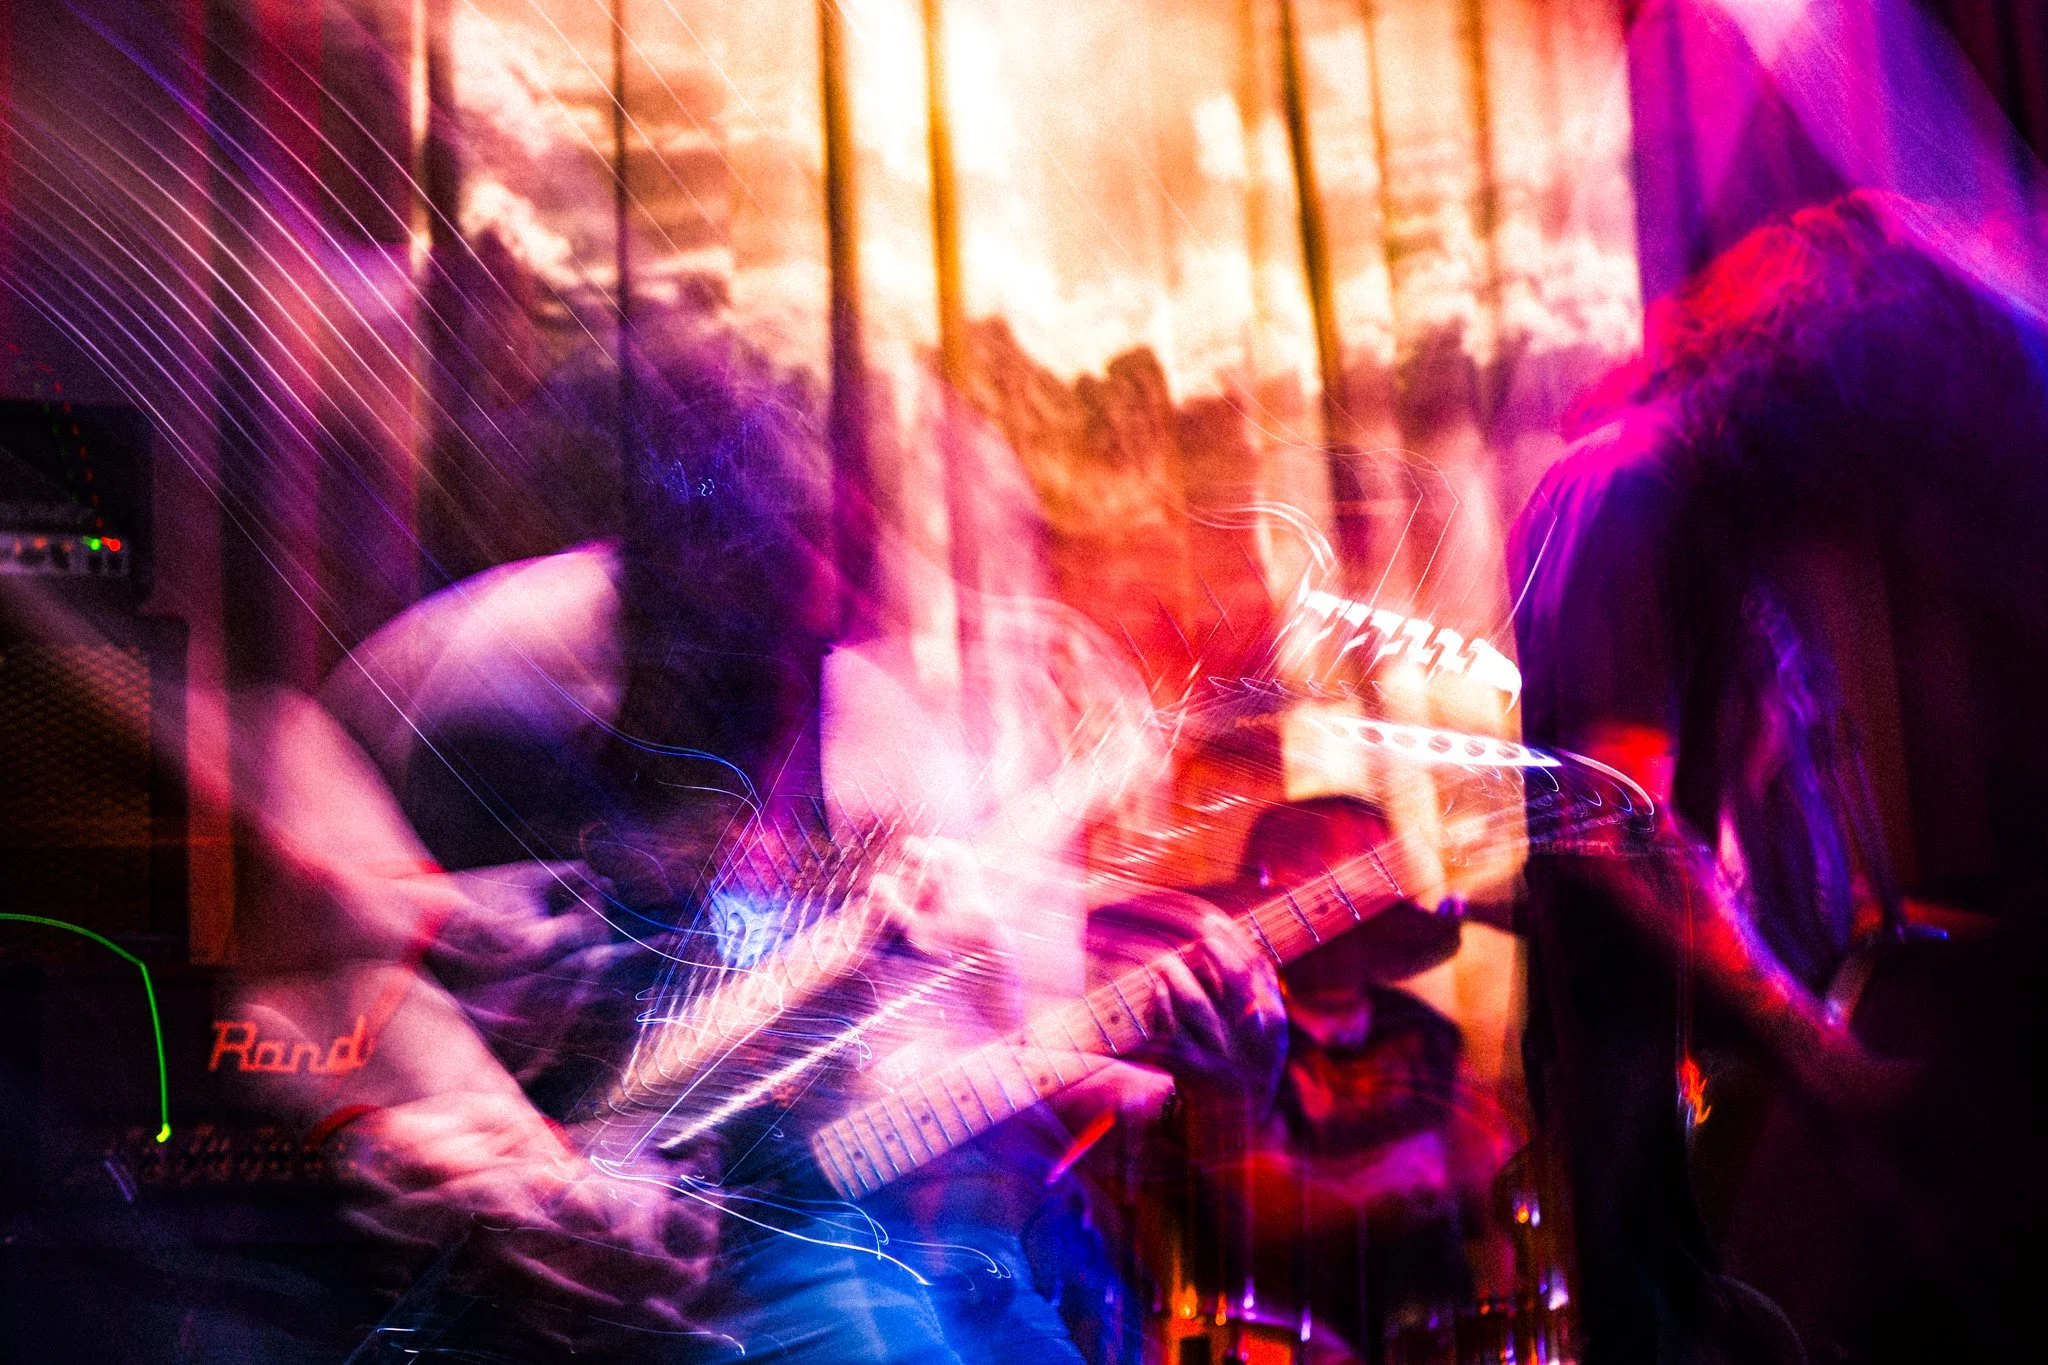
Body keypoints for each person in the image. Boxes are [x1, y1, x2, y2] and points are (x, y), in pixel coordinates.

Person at [225, 357, 1287, 1363]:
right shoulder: (473, 683)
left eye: (834, 602)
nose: (824, 644)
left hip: (779, 1276)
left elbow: (858, 1110)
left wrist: (1131, 1022)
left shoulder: (862, 718)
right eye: (786, 593)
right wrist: (410, 1138)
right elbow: (294, 985)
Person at [1509, 191, 2048, 1364]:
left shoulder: (1714, 510)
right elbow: (1622, 833)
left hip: (1722, 1087)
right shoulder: (1630, 485)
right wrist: (1817, 1056)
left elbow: (1736, 806)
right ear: (1820, 376)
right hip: (1662, 1105)